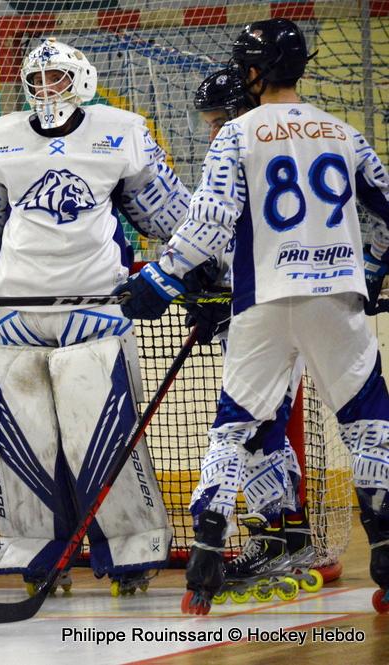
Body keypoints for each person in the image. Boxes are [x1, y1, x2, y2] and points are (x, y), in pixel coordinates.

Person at [115, 18, 389, 615]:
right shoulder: (344, 131)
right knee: (368, 423)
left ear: (253, 73)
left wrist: (162, 278)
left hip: (263, 302)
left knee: (233, 428)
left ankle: (206, 565)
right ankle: (387, 563)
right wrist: (373, 265)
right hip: (336, 300)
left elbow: (210, 222)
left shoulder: (237, 135)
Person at [0, 37, 190, 602]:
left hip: (95, 312)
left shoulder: (122, 130)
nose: (47, 89)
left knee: (103, 440)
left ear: (82, 79)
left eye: (57, 77)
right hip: (17, 318)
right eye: (38, 79)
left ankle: (132, 552)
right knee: (18, 441)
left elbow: (170, 215)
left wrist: (203, 266)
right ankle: (34, 553)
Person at [185, 67, 322, 602]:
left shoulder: (255, 155)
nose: (215, 131)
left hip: (275, 310)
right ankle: (286, 533)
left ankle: (276, 534)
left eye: (221, 119)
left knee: (254, 426)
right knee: (263, 424)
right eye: (211, 123)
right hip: (254, 312)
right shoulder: (238, 155)